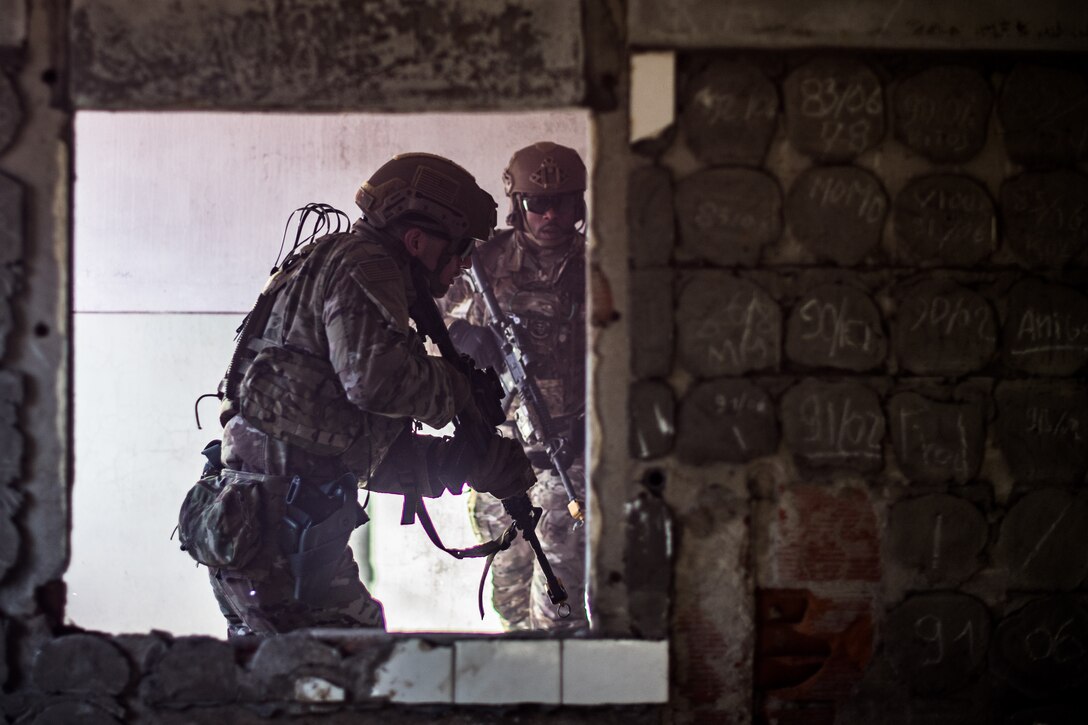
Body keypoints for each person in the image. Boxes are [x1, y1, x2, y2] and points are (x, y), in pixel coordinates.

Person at [197, 153, 535, 637]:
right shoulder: (365, 263)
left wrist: (460, 463)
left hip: (265, 529)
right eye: (459, 249)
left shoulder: (332, 264)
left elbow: (330, 447)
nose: (462, 265)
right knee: (349, 678)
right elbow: (373, 381)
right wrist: (457, 388)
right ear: (416, 240)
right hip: (281, 536)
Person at [442, 141, 588, 632]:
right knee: (507, 598)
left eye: (562, 203)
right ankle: (529, 698)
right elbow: (415, 328)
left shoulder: (601, 270)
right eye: (536, 204)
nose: (550, 214)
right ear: (516, 204)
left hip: (571, 462)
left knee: (559, 611)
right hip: (500, 461)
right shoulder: (481, 265)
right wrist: (462, 339)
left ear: (579, 204)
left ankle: (565, 697)